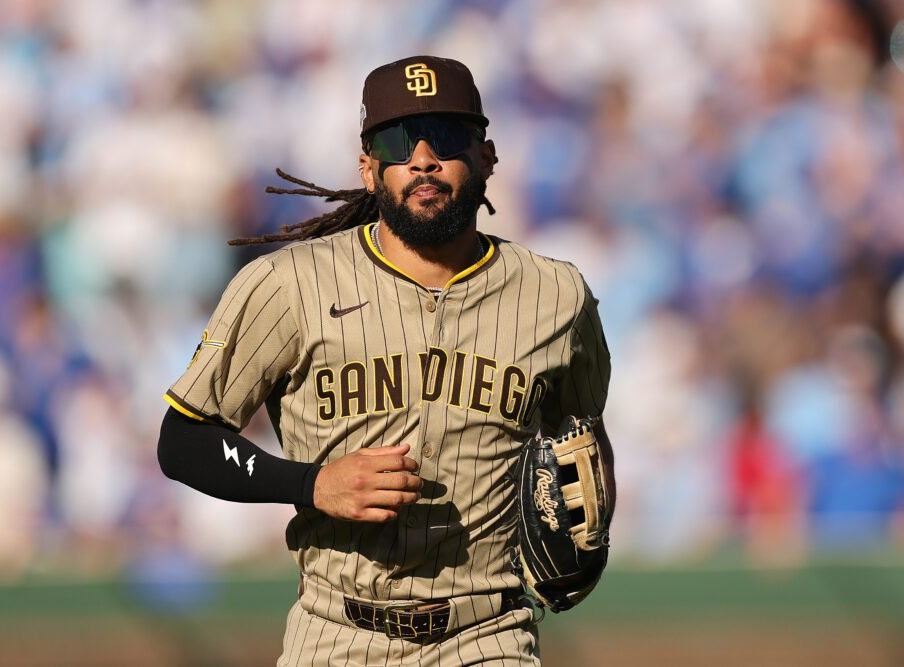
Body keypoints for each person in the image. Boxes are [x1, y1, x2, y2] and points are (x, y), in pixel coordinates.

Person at [158, 55, 611, 666]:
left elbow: (581, 436)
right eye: (398, 143)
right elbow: (183, 439)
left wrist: (585, 526)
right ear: (369, 169)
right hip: (336, 635)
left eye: (446, 137)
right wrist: (311, 483)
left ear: (486, 157)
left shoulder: (556, 297)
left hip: (489, 635)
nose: (422, 158)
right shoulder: (289, 285)